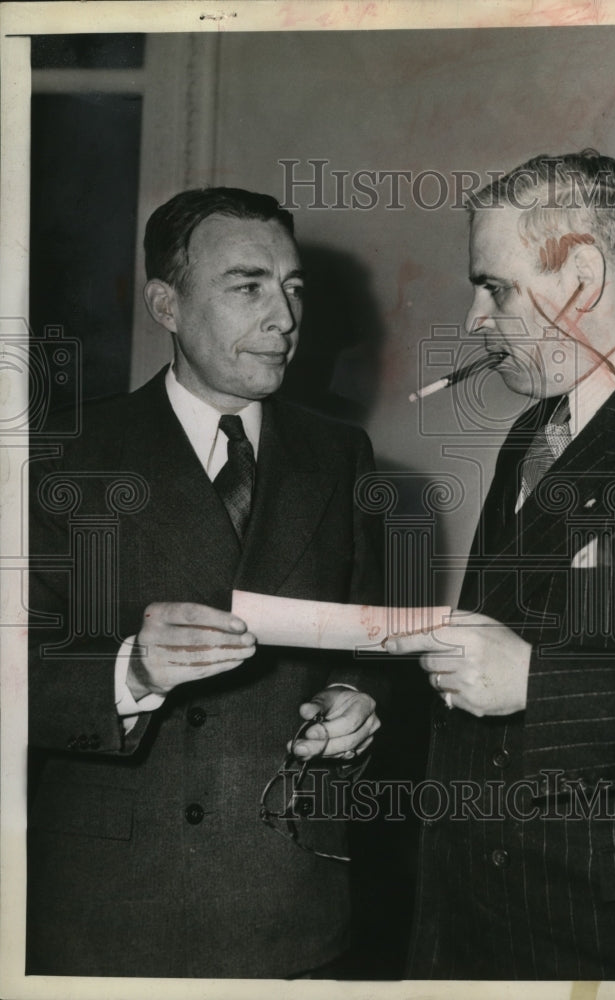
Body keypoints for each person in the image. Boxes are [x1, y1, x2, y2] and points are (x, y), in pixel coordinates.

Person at [386, 150, 615, 980]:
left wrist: (535, 683)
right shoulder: (534, 430)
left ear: (582, 276)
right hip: (488, 922)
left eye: (495, 287)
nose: (475, 318)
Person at [26, 188, 383, 978]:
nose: (284, 318)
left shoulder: (341, 456)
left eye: (293, 289)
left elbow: (368, 641)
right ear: (166, 304)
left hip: (291, 905)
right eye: (248, 286)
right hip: (112, 911)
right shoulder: (64, 456)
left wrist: (360, 703)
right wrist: (133, 670)